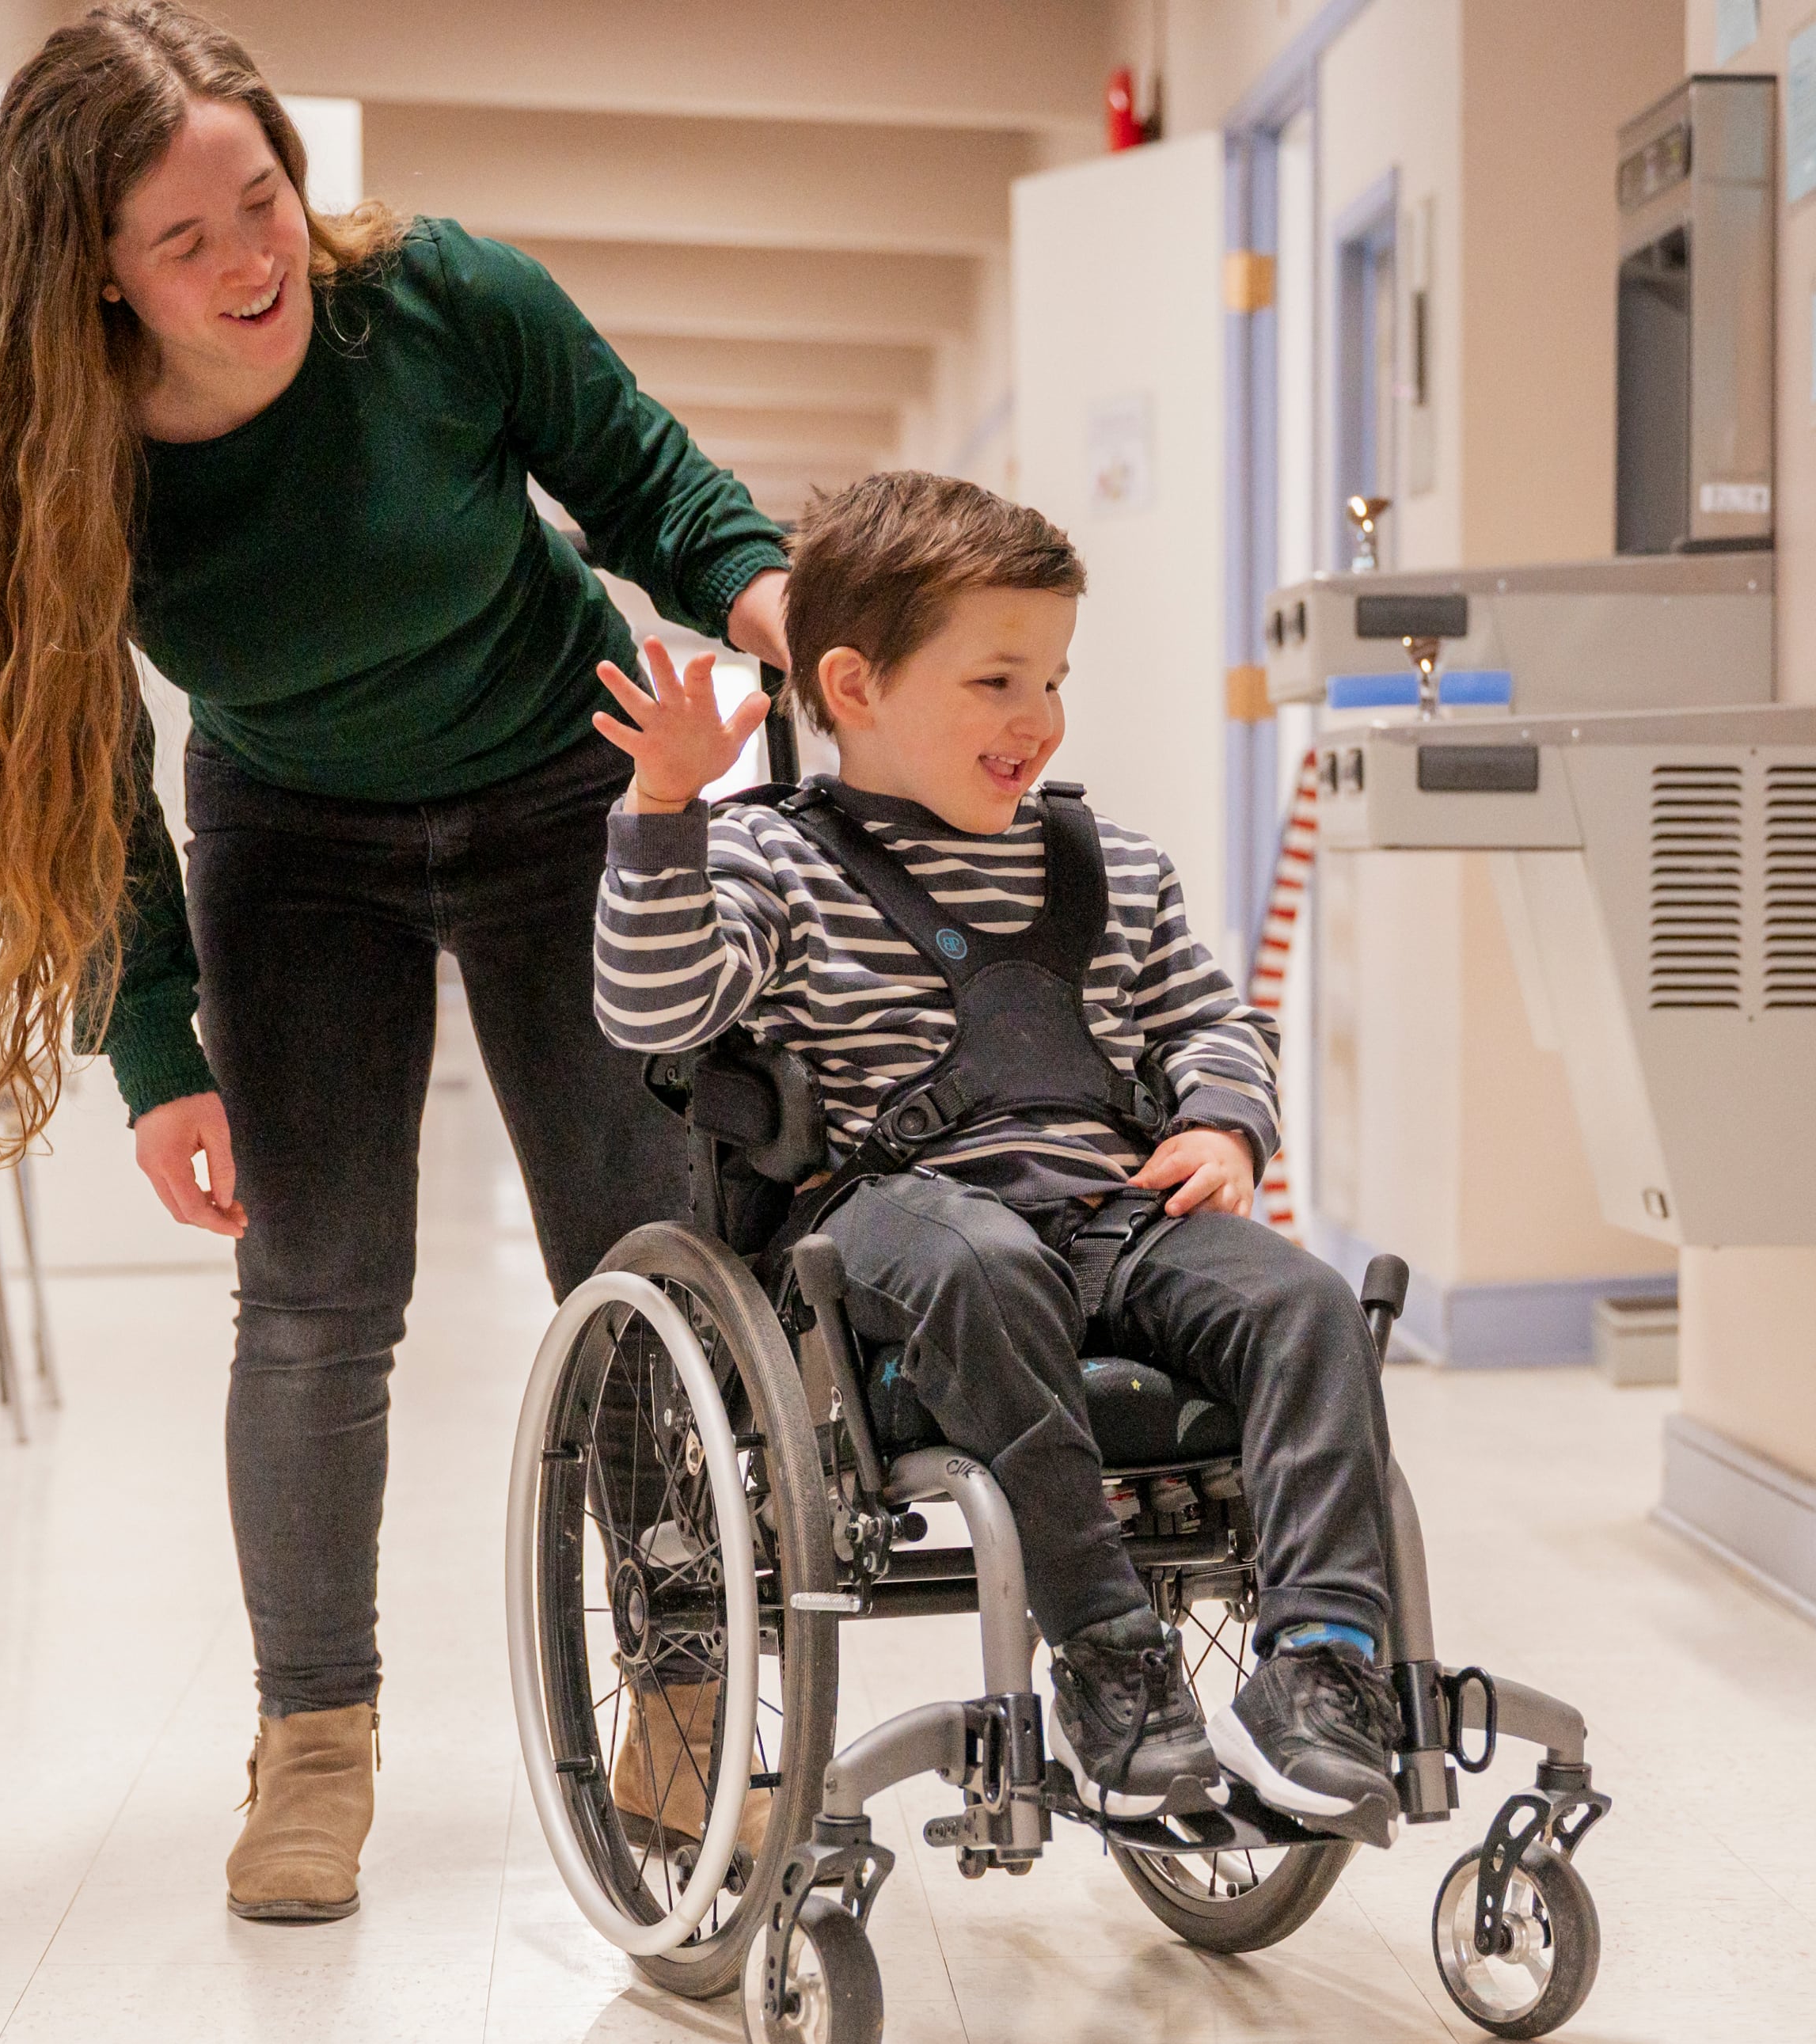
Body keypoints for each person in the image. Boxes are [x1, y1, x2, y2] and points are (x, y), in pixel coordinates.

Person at [0, 2, 790, 1924]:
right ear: (99, 278)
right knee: (313, 1297)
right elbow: (79, 780)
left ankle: (683, 1679)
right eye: (185, 239)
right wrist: (156, 1050)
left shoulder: (442, 301)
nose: (252, 258)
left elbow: (641, 478)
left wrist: (768, 595)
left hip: (566, 790)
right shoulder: (72, 464)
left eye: (262, 197)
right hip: (296, 842)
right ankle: (313, 1739)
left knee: (636, 1255)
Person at [589, 472, 1407, 1840]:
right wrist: (665, 807)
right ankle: (1110, 1653)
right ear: (853, 685)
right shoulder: (774, 859)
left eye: (1055, 680)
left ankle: (1322, 1670)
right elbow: (654, 1008)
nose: (1040, 718)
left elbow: (1211, 1019)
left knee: (1308, 1302)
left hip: (1114, 1214)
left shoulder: (1109, 865)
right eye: (998, 681)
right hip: (894, 1223)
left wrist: (1220, 1120)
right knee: (986, 1260)